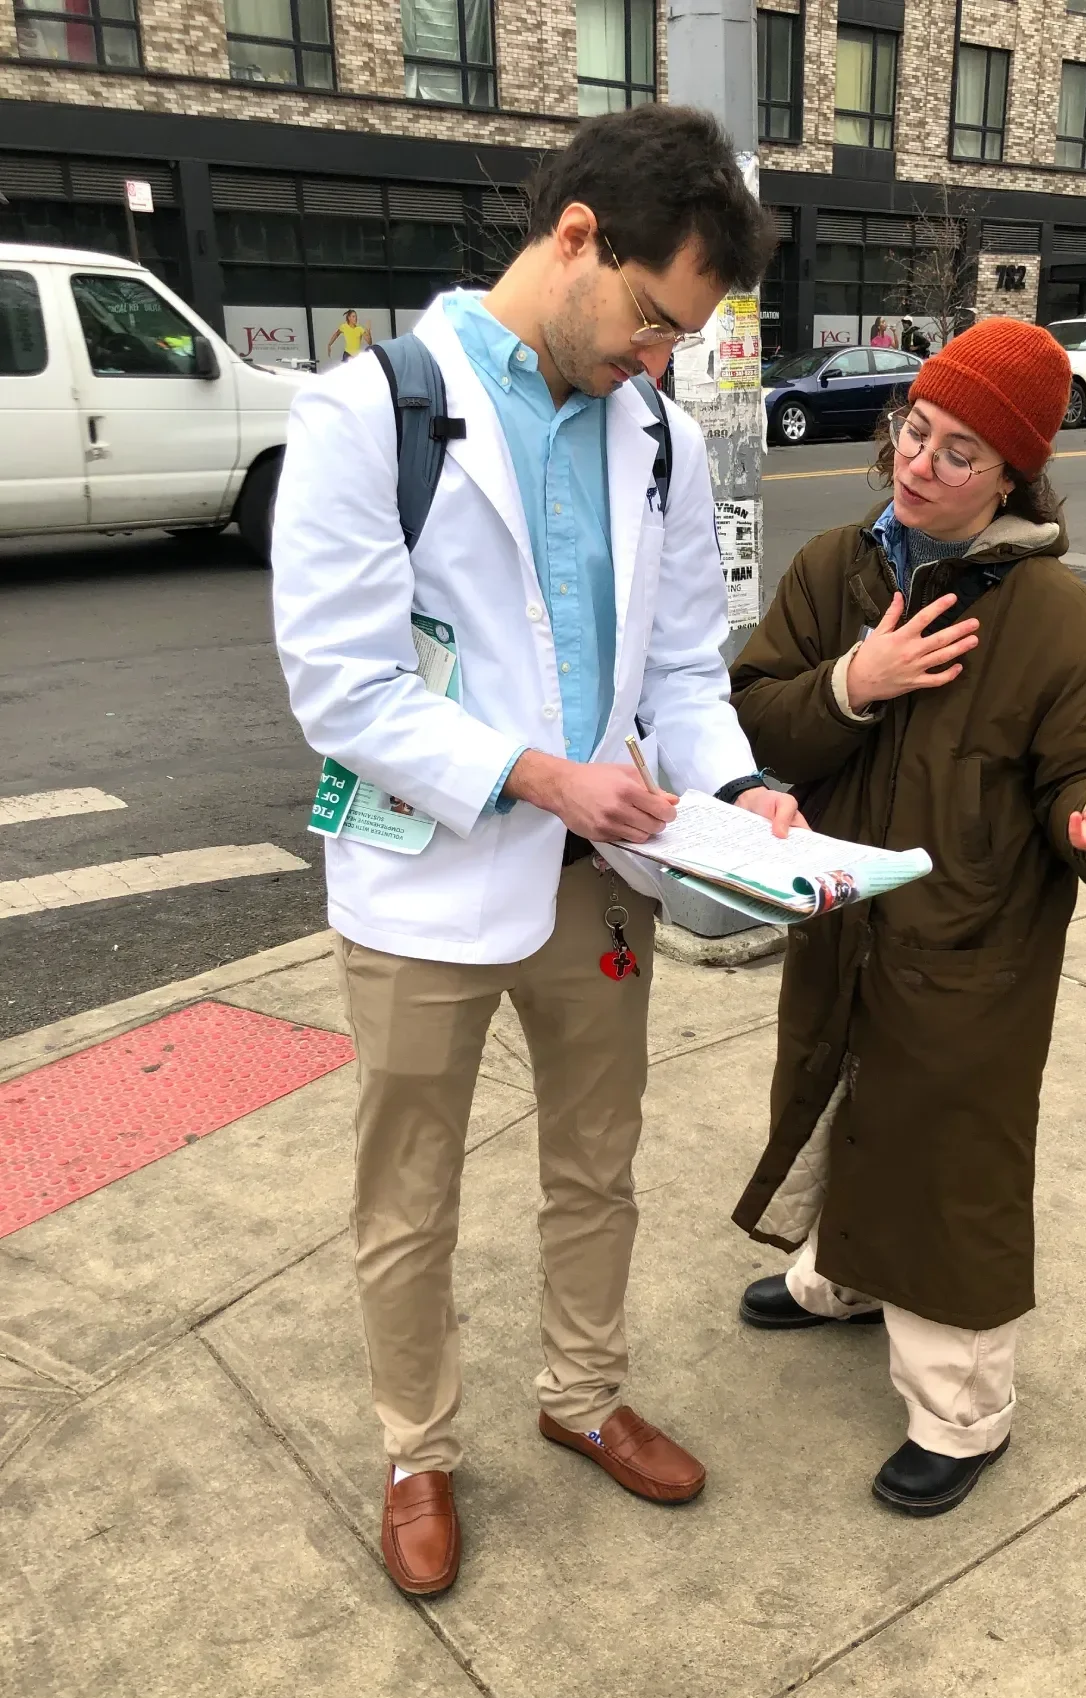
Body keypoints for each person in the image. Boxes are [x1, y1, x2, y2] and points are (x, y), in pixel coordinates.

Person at [273, 105, 792, 1599]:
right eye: (648, 319)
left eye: (679, 337)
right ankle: (416, 1448)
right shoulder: (369, 412)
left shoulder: (659, 444)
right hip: (429, 876)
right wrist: (541, 777)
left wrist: (742, 785)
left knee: (598, 1163)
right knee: (410, 1187)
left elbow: (685, 668)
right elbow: (345, 687)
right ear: (577, 237)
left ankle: (581, 1392)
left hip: (601, 882)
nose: (657, 358)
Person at [727, 318, 1086, 1518]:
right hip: (839, 923)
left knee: (951, 1161)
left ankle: (961, 1412)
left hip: (968, 951)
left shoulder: (1058, 626)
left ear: (1015, 477)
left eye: (960, 452)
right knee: (835, 1094)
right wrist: (850, 685)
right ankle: (841, 1278)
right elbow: (757, 716)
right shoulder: (835, 570)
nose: (920, 466)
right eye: (913, 434)